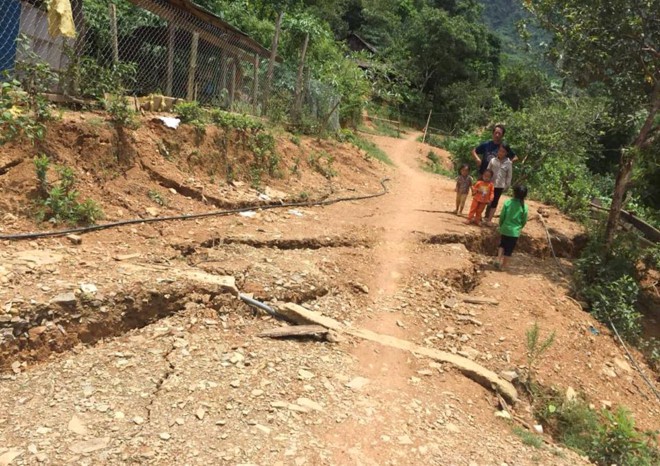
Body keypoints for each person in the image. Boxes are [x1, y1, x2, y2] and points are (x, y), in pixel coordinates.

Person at [494, 185, 529, 270]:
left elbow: (502, 216)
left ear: (514, 193)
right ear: (525, 195)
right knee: (509, 249)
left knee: (502, 244)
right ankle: (504, 266)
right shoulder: (524, 206)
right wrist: (520, 227)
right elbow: (524, 220)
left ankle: (498, 259)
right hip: (514, 232)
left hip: (505, 228)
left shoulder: (507, 202)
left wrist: (501, 225)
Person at [484, 145, 513, 223]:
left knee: (494, 202)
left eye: (503, 151)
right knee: (487, 200)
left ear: (506, 153)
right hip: (490, 184)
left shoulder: (508, 163)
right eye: (500, 151)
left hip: (499, 186)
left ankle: (489, 219)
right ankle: (484, 216)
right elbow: (488, 170)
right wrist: (485, 181)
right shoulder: (493, 160)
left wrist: (507, 185)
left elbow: (509, 176)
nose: (501, 153)